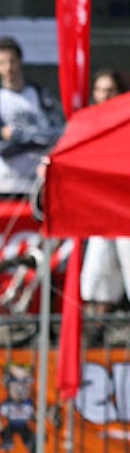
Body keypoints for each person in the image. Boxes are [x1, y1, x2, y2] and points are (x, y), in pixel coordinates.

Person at [0, 36, 64, 199]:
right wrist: (37, 139)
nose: (8, 68)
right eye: (2, 63)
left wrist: (17, 134)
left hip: (39, 182)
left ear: (20, 62)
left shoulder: (41, 95)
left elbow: (57, 134)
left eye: (12, 61)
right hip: (7, 183)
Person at [78, 68, 129, 322]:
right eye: (99, 90)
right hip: (105, 216)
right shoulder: (88, 123)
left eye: (110, 90)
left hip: (126, 214)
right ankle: (96, 337)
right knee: (96, 277)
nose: (104, 96)